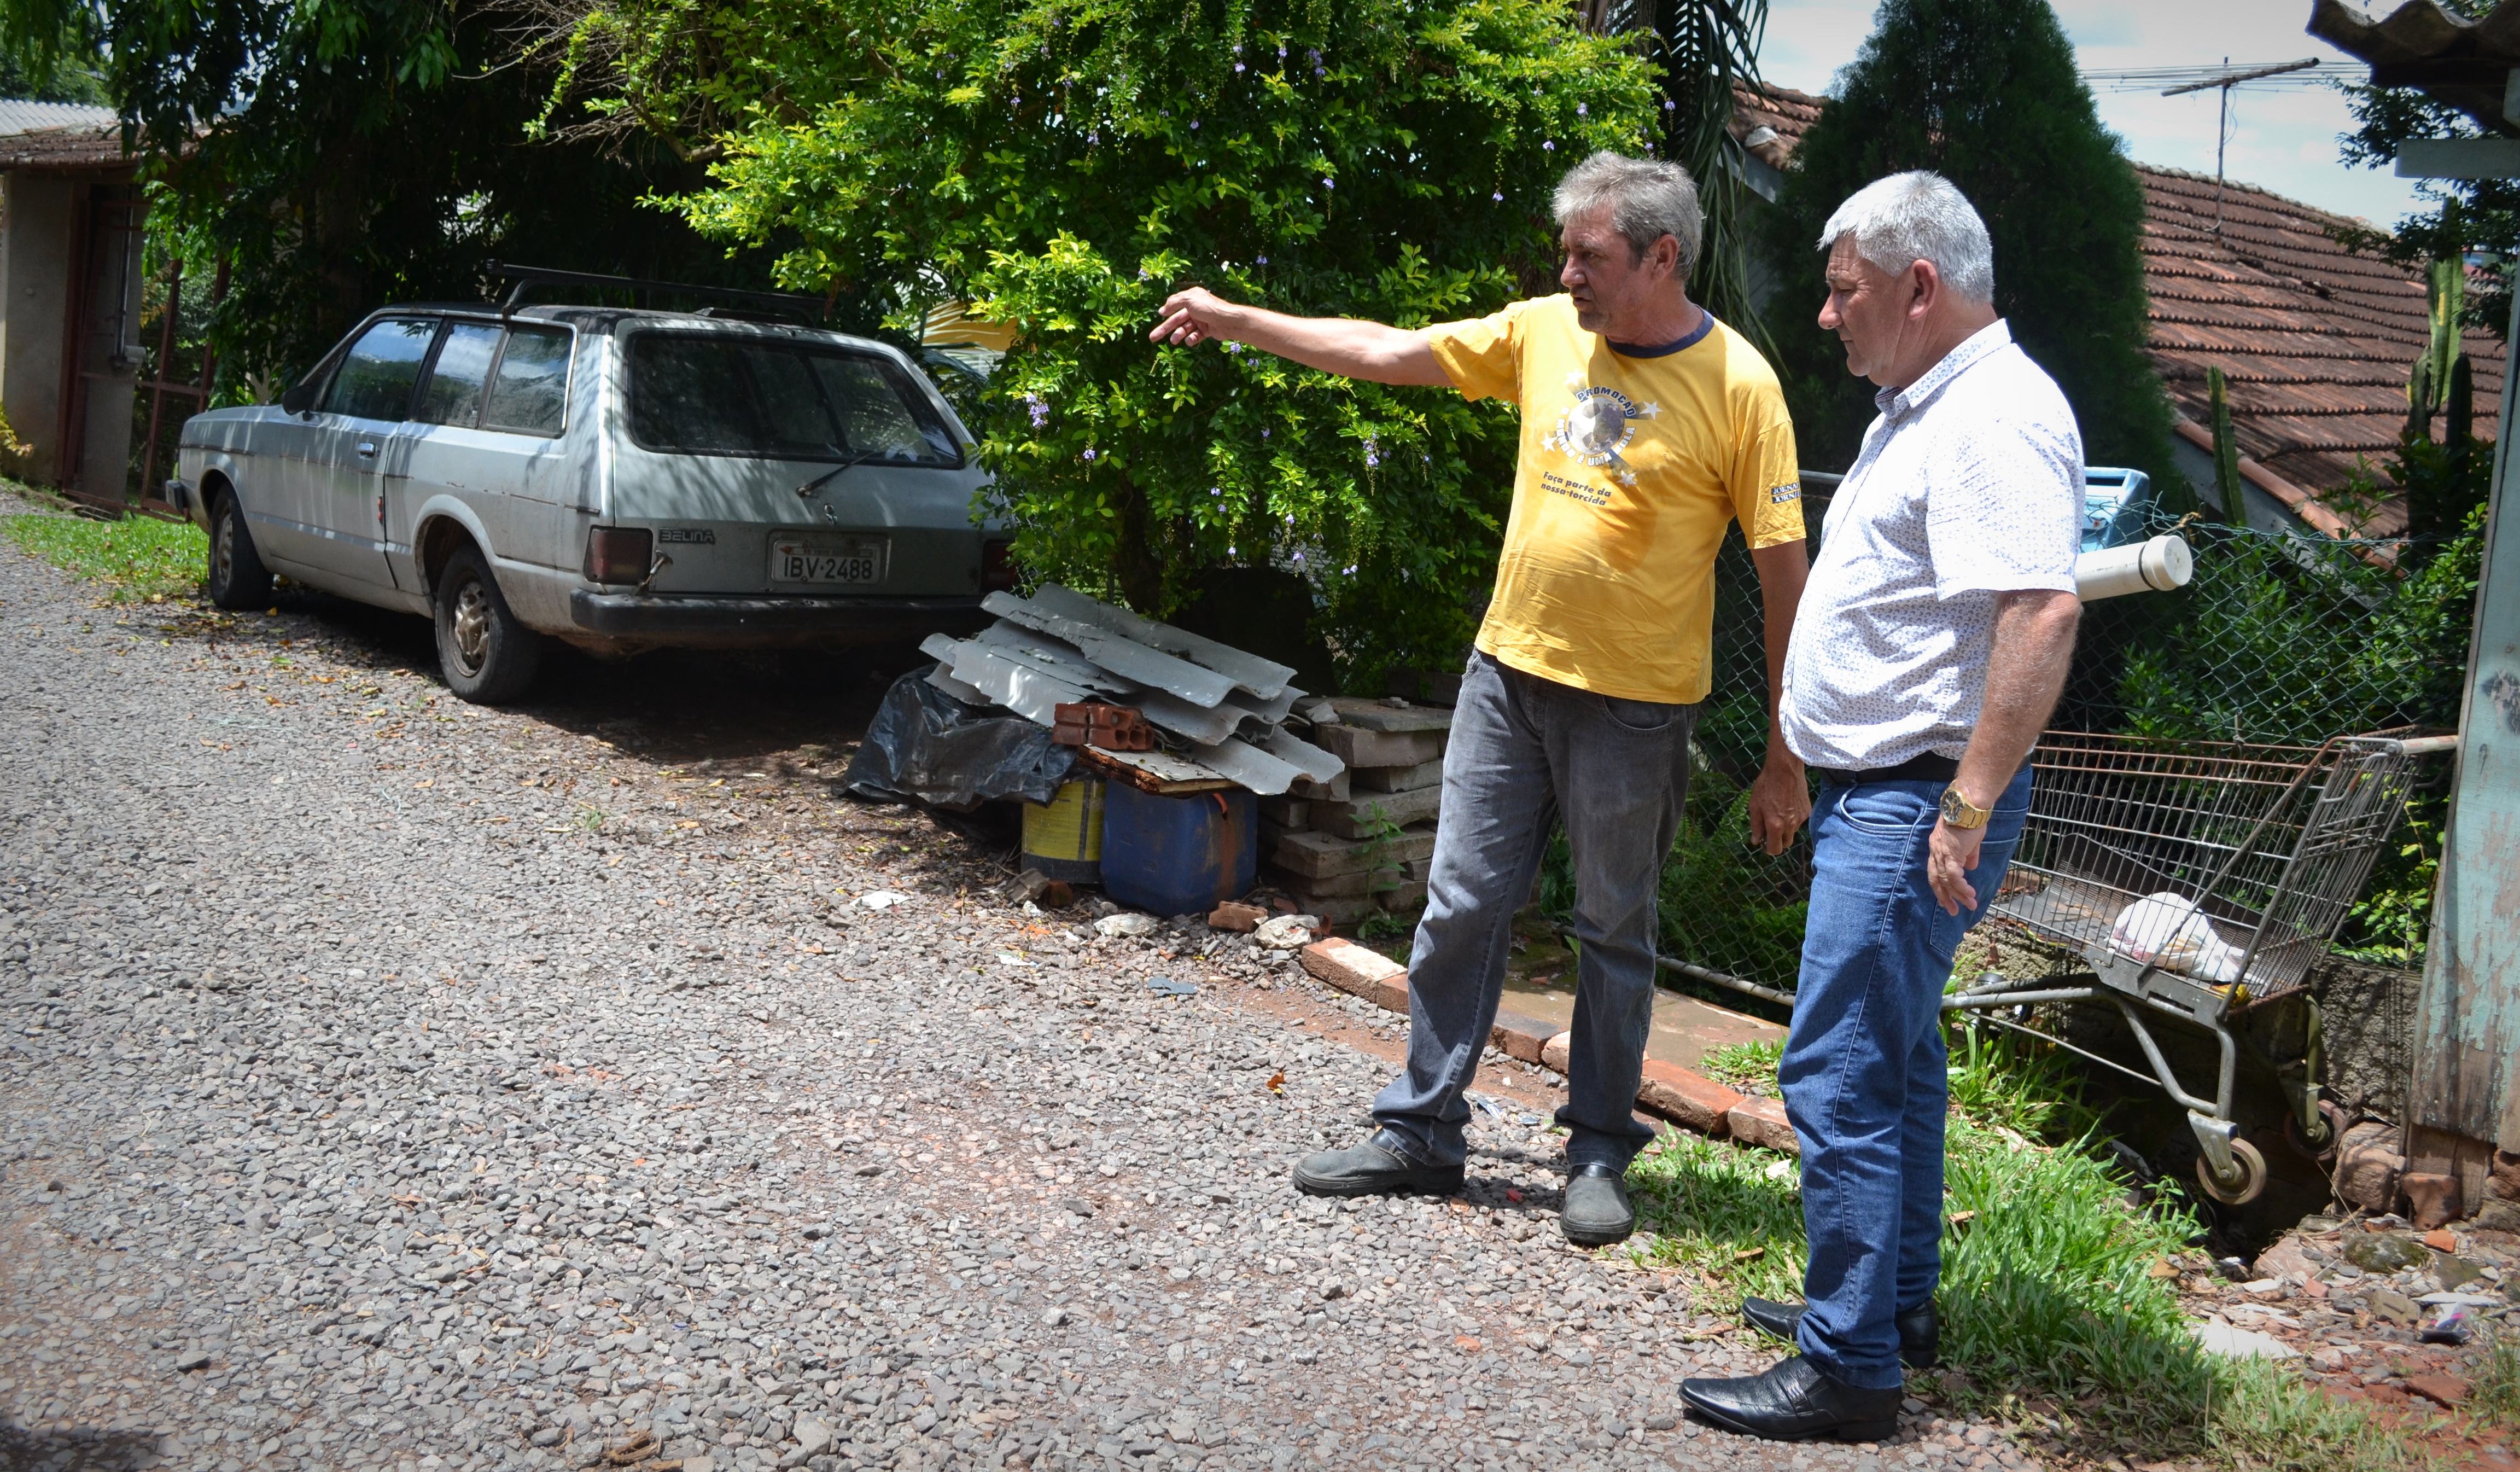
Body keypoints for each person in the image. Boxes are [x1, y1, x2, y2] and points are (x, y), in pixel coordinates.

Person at [1148, 152, 1811, 1246]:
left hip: (1636, 709)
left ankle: (1599, 1141)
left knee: (1614, 926)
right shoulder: (1545, 332)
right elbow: (1388, 350)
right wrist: (1237, 319)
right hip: (1509, 675)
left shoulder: (1742, 386)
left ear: (1661, 256)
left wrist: (1786, 752)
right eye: (1566, 254)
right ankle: (1421, 1129)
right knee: (1460, 901)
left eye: (1588, 256)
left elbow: (1788, 574)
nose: (1567, 275)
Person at [1676, 172, 2084, 1441]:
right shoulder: (1932, 402)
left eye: (1844, 289)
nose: (1825, 315)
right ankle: (1892, 1303)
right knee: (1896, 1061)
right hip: (1896, 791)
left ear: (1920, 287)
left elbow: (2042, 611)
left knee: (1838, 1066)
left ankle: (1849, 1366)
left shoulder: (1994, 416)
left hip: (1915, 796)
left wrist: (1965, 801)